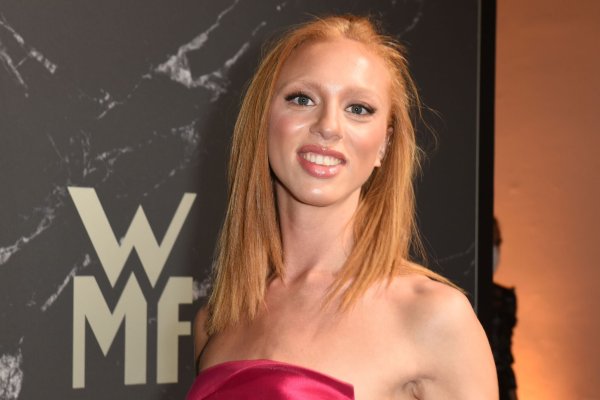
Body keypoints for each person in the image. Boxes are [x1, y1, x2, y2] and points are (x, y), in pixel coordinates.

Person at [188, 15, 498, 400]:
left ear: (384, 144)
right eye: (302, 99)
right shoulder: (217, 321)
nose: (329, 126)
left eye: (359, 108)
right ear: (262, 120)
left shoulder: (434, 318)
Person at [491, 218, 519, 400]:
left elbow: (505, 357)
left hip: (499, 387)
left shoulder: (505, 299)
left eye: (497, 242)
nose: (495, 250)